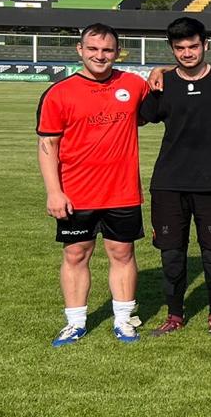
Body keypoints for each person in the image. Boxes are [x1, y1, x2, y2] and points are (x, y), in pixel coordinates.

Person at [40, 23, 151, 347]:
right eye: (93, 49)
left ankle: (124, 320)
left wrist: (160, 71)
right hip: (76, 193)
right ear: (80, 50)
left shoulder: (134, 85)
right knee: (76, 254)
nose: (100, 56)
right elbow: (48, 144)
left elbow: (151, 109)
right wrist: (54, 191)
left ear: (117, 53)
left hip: (122, 191)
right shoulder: (59, 93)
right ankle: (75, 323)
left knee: (122, 252)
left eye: (107, 50)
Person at [137, 17, 211, 336]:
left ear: (205, 44)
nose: (187, 53)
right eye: (180, 48)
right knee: (171, 255)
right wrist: (156, 74)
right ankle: (174, 315)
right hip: (168, 183)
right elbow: (139, 119)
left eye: (193, 46)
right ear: (172, 49)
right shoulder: (164, 83)